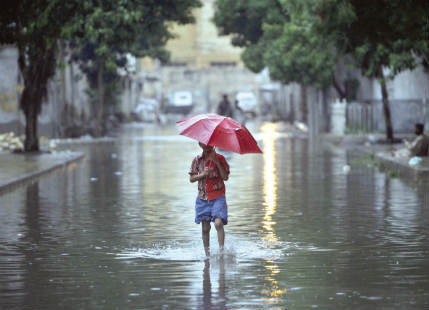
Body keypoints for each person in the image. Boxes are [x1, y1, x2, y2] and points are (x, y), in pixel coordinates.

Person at [189, 142, 230, 257]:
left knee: (218, 223)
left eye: (209, 143)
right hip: (203, 197)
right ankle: (207, 255)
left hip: (218, 196)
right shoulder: (197, 160)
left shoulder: (221, 158)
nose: (207, 145)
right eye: (204, 143)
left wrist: (217, 162)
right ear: (200, 144)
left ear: (214, 145)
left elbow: (225, 177)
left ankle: (221, 252)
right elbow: (191, 178)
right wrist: (202, 174)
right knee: (205, 228)